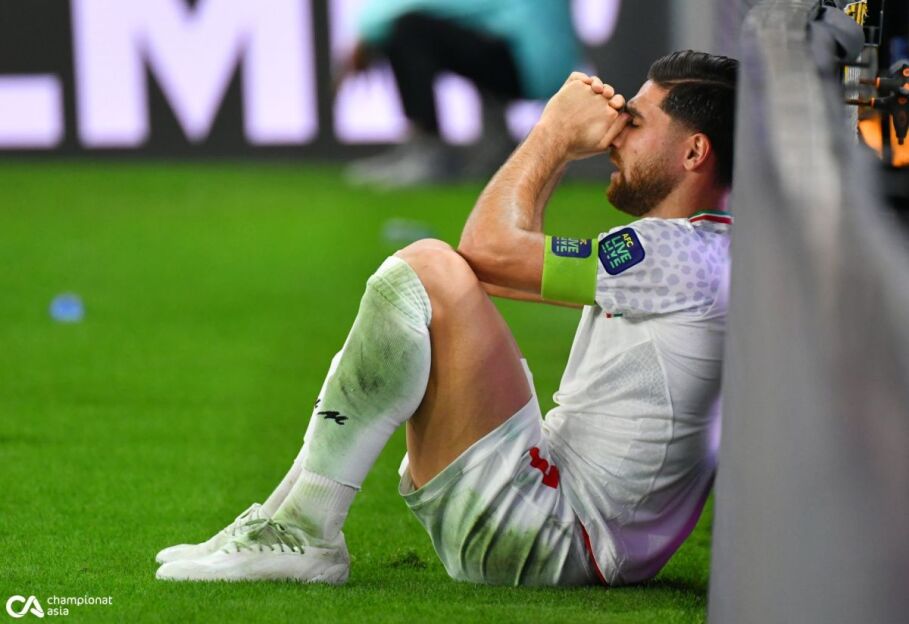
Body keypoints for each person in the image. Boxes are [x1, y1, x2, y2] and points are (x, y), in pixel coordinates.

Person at [155, 50, 739, 587]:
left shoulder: (678, 256)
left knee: (427, 269)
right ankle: (285, 520)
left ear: (693, 152)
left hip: (558, 535)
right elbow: (495, 271)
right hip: (569, 524)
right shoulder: (694, 252)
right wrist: (556, 149)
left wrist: (553, 134)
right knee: (429, 293)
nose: (616, 134)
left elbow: (484, 250)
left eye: (635, 122)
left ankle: (304, 529)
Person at [340, 0, 581, 188]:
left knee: (410, 28)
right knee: (448, 25)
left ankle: (429, 155)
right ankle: (496, 147)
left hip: (533, 65)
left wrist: (366, 31)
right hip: (530, 55)